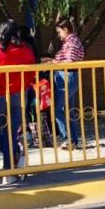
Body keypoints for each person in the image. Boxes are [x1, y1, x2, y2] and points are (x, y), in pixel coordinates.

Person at [0, 20, 37, 185]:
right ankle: (11, 165)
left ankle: (11, 161)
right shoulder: (26, 51)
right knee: (10, 133)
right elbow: (31, 74)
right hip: (18, 95)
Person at [41, 19, 85, 150]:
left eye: (59, 32)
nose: (59, 35)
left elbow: (70, 61)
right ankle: (74, 140)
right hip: (69, 77)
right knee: (69, 110)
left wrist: (53, 62)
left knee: (56, 109)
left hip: (67, 77)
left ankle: (67, 138)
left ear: (65, 30)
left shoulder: (71, 42)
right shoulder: (73, 41)